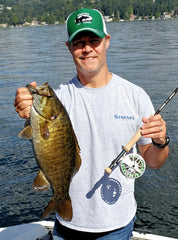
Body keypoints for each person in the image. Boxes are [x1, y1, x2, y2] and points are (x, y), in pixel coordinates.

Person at [14, 8, 169, 240]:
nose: (87, 48)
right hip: (67, 226)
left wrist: (160, 142)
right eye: (78, 42)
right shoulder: (59, 99)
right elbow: (35, 124)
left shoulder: (135, 96)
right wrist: (26, 107)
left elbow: (153, 161)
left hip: (118, 226)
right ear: (69, 48)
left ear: (106, 41)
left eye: (93, 40)